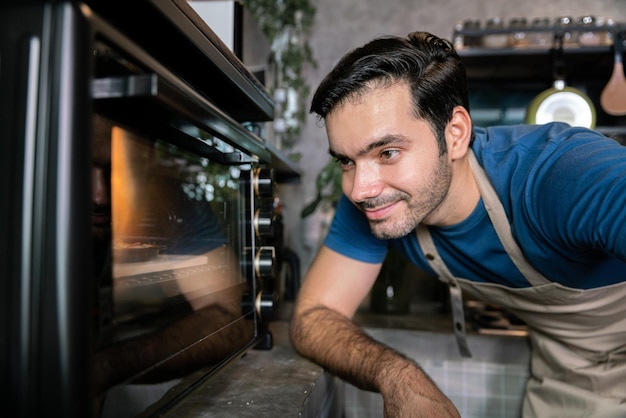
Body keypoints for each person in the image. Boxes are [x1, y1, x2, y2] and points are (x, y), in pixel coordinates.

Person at [289, 31, 626, 417]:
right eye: (346, 161)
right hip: (578, 377)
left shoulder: (561, 172)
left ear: (455, 135)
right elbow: (313, 317)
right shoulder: (375, 203)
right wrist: (398, 377)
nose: (360, 189)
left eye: (388, 152)